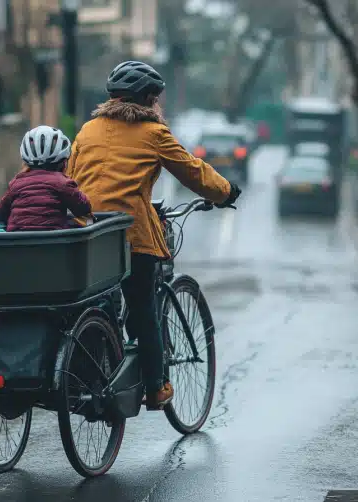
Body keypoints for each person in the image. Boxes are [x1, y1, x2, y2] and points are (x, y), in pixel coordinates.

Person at [66, 60, 242, 410]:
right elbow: (192, 171)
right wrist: (225, 193)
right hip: (130, 235)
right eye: (156, 99)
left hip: (87, 235)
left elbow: (70, 178)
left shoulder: (87, 131)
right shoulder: (153, 134)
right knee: (143, 307)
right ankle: (156, 386)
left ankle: (90, 362)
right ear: (147, 99)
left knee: (96, 299)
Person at [0, 126, 92, 231]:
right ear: (63, 162)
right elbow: (83, 208)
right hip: (52, 242)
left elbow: (1, 213)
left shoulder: (16, 183)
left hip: (18, 242)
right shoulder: (63, 183)